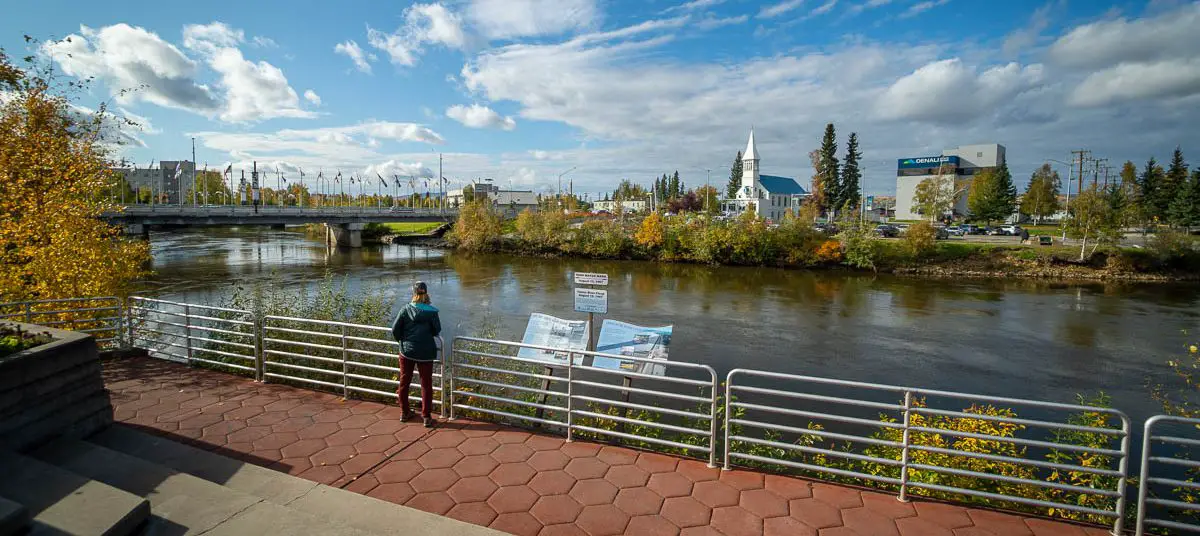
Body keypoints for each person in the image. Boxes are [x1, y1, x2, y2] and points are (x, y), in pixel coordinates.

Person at [391, 281, 442, 428]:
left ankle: (405, 412)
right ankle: (426, 417)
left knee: (404, 381)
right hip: (426, 352)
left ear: (414, 294)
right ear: (426, 293)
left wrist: (403, 342)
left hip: (407, 351)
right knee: (426, 384)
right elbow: (436, 330)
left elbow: (395, 330)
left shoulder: (405, 309)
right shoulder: (432, 312)